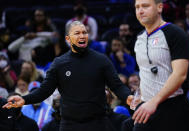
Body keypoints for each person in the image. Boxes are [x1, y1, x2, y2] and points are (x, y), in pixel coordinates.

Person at [3, 21, 131, 131]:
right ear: (68, 39)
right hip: (69, 125)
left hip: (98, 123)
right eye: (77, 33)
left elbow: (117, 86)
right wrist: (25, 99)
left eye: (84, 32)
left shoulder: (101, 60)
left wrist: (128, 97)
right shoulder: (59, 63)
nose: (82, 36)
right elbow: (44, 91)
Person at [126, 0, 189, 131]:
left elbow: (180, 75)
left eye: (145, 6)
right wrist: (139, 95)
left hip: (174, 109)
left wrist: (154, 101)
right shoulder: (139, 38)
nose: (140, 11)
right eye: (137, 7)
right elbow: (146, 72)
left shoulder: (176, 34)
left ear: (159, 7)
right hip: (147, 107)